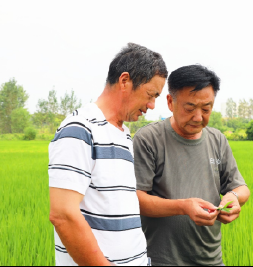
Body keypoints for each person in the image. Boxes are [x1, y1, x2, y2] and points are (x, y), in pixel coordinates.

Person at [48, 43, 167, 266]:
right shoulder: (79, 129)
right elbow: (63, 215)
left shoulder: (123, 135)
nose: (152, 105)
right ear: (125, 81)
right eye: (151, 95)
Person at [133, 65, 250, 266]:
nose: (198, 117)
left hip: (211, 259)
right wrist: (183, 207)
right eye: (189, 108)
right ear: (170, 102)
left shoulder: (217, 140)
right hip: (162, 260)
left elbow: (241, 188)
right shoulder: (148, 139)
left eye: (206, 109)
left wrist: (233, 198)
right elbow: (135, 199)